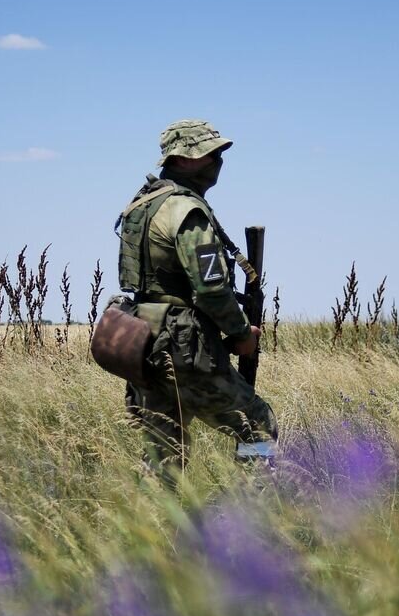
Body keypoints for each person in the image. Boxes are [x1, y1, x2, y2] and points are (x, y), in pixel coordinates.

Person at [115, 119, 278, 486]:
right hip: (181, 343)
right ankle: (253, 509)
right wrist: (240, 333)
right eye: (209, 153)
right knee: (258, 424)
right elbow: (210, 288)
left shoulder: (142, 204)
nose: (218, 161)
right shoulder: (186, 210)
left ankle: (155, 519)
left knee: (163, 450)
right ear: (181, 159)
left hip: (142, 339)